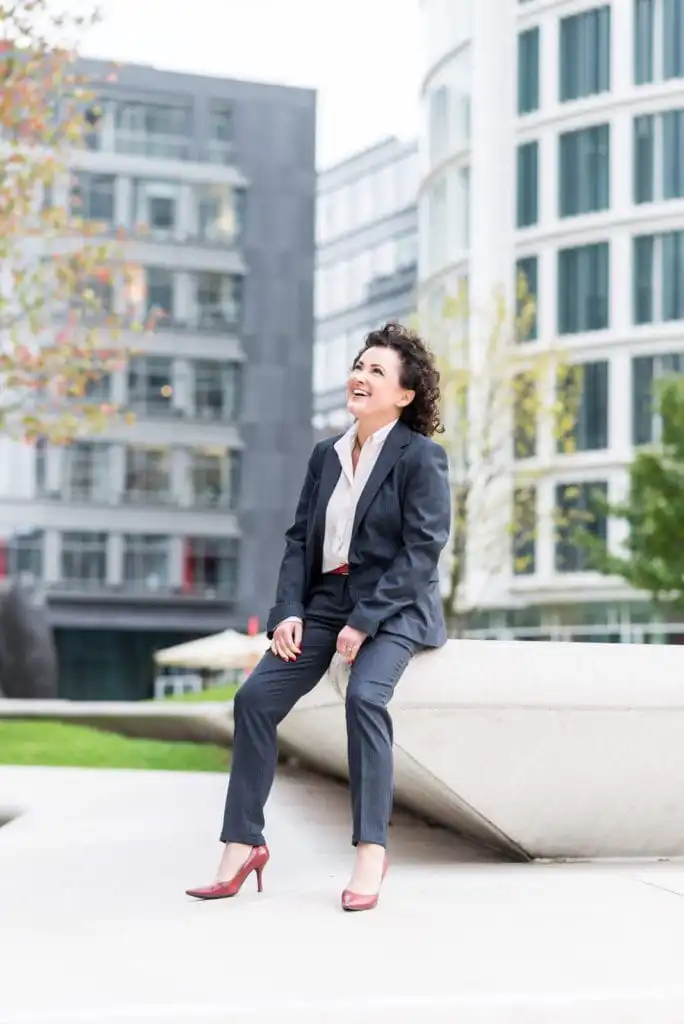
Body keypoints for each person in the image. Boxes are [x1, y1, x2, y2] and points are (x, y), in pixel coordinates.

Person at [186, 321, 451, 912]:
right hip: (325, 604)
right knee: (254, 700)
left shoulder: (422, 458)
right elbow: (299, 540)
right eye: (359, 365)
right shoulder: (325, 455)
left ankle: (371, 852)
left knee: (364, 698)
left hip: (394, 607)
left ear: (405, 395)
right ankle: (242, 844)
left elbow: (422, 552)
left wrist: (367, 619)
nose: (360, 375)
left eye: (377, 371)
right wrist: (288, 611)